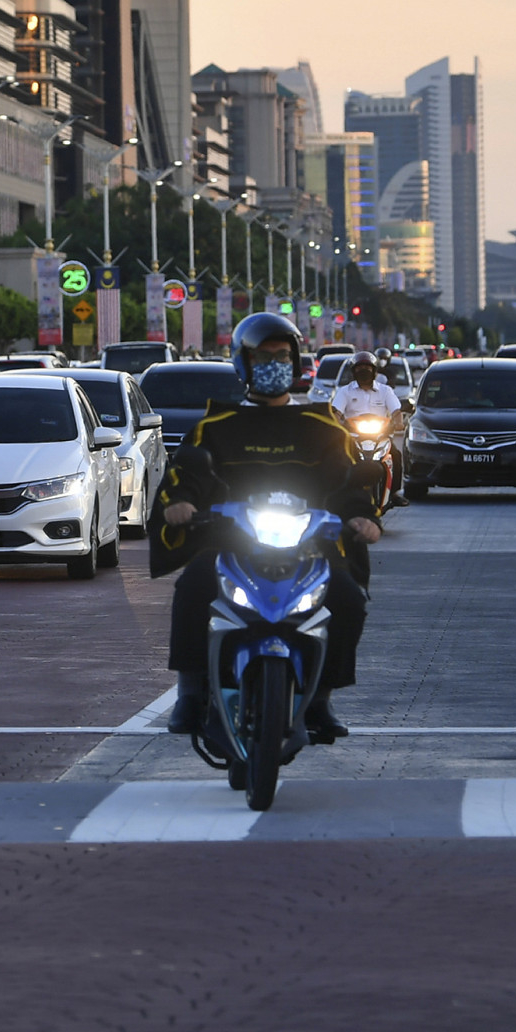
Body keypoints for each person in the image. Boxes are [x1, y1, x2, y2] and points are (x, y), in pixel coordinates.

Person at [151, 312, 384, 739]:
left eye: (281, 355)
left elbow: (348, 479)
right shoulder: (216, 426)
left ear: (295, 361)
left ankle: (320, 700)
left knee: (349, 598)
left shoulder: (324, 425)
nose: (273, 363)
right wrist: (181, 502)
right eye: (263, 356)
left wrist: (361, 516)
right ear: (243, 363)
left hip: (310, 545)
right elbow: (187, 474)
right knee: (193, 585)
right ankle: (190, 693)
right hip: (231, 542)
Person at [329, 351, 408, 507]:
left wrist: (398, 422)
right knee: (336, 457)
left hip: (381, 436)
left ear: (374, 371)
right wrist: (335, 423)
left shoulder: (385, 391)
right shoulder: (345, 391)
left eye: (367, 367)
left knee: (396, 455)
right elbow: (336, 412)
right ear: (353, 371)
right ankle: (338, 491)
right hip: (352, 437)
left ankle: (395, 493)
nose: (364, 370)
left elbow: (396, 411)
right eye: (360, 368)